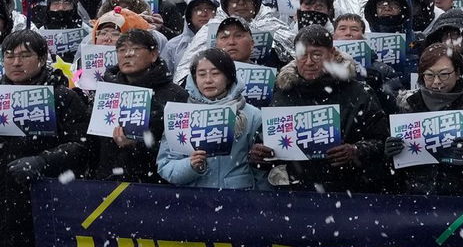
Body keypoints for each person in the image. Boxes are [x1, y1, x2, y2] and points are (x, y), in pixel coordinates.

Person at [0, 30, 90, 247]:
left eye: (24, 55)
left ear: (41, 59)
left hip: (47, 201)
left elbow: (81, 147)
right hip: (5, 202)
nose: (16, 62)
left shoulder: (63, 98)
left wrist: (43, 160)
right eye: (9, 55)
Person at [252, 27, 391, 194]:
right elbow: (265, 143)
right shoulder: (283, 93)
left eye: (317, 54)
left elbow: (382, 142)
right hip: (294, 193)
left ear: (332, 53)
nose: (309, 62)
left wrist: (356, 151)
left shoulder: (359, 92)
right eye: (303, 55)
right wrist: (259, 154)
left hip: (349, 191)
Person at [385, 42, 463, 195]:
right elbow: (390, 167)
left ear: (458, 73)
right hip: (415, 197)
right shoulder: (408, 106)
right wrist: (390, 153)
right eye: (429, 75)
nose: (436, 82)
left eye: (444, 74)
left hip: (461, 197)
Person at [155, 48, 265, 189]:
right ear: (194, 79)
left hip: (239, 198)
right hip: (194, 199)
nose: (208, 80)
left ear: (228, 76)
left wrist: (262, 201)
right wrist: (190, 165)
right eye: (201, 74)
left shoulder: (252, 115)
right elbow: (166, 165)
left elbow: (261, 169)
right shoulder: (181, 114)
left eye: (215, 73)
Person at [87, 28, 187, 183]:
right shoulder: (106, 92)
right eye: (122, 50)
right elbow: (91, 144)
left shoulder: (175, 95)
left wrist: (138, 144)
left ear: (153, 55)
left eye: (135, 49)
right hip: (107, 183)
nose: (128, 54)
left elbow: (179, 149)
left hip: (155, 186)